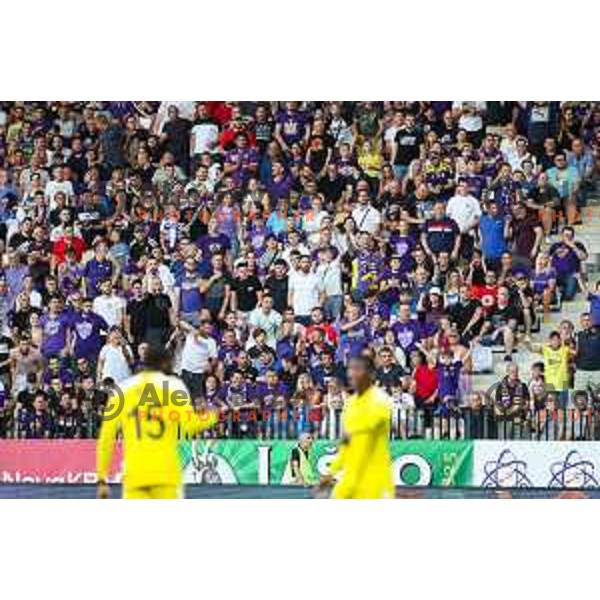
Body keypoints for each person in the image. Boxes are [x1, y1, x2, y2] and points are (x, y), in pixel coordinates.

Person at [96, 345, 220, 499]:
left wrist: (102, 478)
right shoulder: (174, 387)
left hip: (136, 474)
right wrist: (213, 416)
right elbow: (190, 425)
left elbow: (107, 438)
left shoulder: (122, 390)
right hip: (166, 473)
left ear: (145, 362)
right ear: (165, 363)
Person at [319, 355, 394, 499]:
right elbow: (346, 444)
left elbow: (363, 437)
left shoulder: (380, 400)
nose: (351, 373)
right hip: (350, 480)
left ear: (371, 374)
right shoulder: (351, 403)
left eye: (357, 369)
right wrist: (331, 473)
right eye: (350, 369)